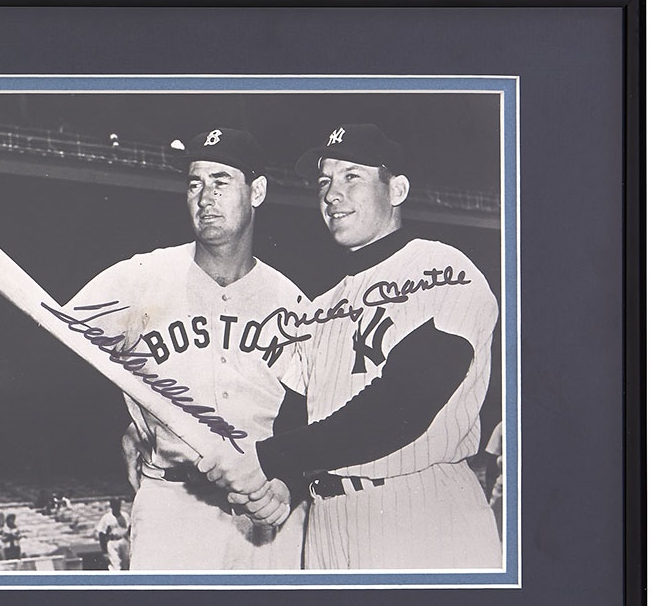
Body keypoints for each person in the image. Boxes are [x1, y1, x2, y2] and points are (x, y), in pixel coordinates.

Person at [200, 123, 501, 570]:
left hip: (419, 510)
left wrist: (267, 459)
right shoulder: (321, 306)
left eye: (351, 176)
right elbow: (298, 416)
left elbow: (403, 407)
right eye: (324, 182)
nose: (331, 194)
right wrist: (285, 485)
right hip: (325, 523)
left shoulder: (443, 267)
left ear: (396, 189)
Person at [66, 127, 309, 570]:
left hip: (265, 505)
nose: (205, 196)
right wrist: (125, 424)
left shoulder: (291, 300)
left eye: (221, 181)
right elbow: (63, 340)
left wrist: (291, 479)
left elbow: (313, 408)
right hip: (173, 500)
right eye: (195, 183)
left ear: (257, 191)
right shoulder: (140, 277)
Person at [95, 498, 131, 570]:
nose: (117, 507)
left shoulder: (125, 516)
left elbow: (130, 530)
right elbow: (102, 534)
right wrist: (104, 551)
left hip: (124, 541)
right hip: (113, 542)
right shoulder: (106, 517)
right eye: (115, 505)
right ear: (111, 506)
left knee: (126, 565)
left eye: (118, 505)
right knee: (116, 566)